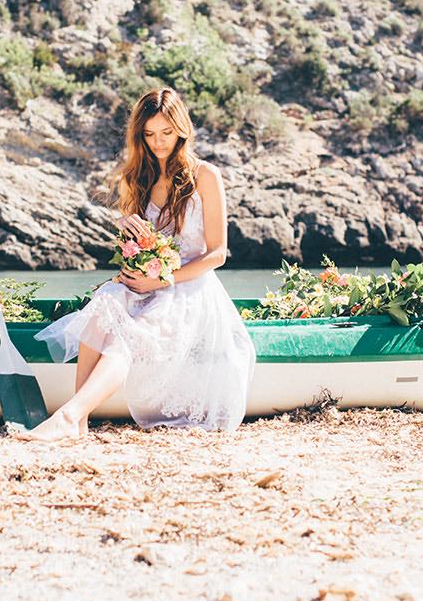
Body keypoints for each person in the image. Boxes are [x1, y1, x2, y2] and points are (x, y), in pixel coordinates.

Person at [25, 87, 255, 441]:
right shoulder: (138, 177)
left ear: (181, 128)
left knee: (126, 340)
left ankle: (69, 416)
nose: (159, 142)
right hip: (145, 280)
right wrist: (127, 231)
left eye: (166, 132)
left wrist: (163, 281)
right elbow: (139, 243)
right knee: (103, 306)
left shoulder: (206, 175)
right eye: (149, 134)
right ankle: (79, 420)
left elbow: (217, 253)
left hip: (188, 287)